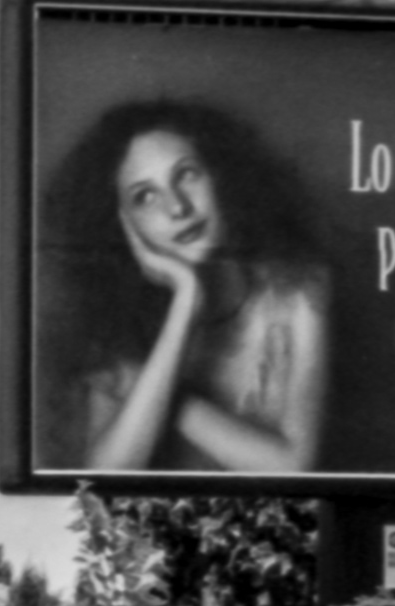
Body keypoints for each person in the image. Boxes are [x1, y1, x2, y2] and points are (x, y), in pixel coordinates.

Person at [41, 100, 331, 474]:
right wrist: (186, 298)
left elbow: (292, 468)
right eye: (145, 197)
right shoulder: (116, 326)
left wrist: (154, 390)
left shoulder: (297, 289)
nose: (177, 207)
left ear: (220, 175)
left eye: (187, 174)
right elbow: (102, 480)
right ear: (123, 226)